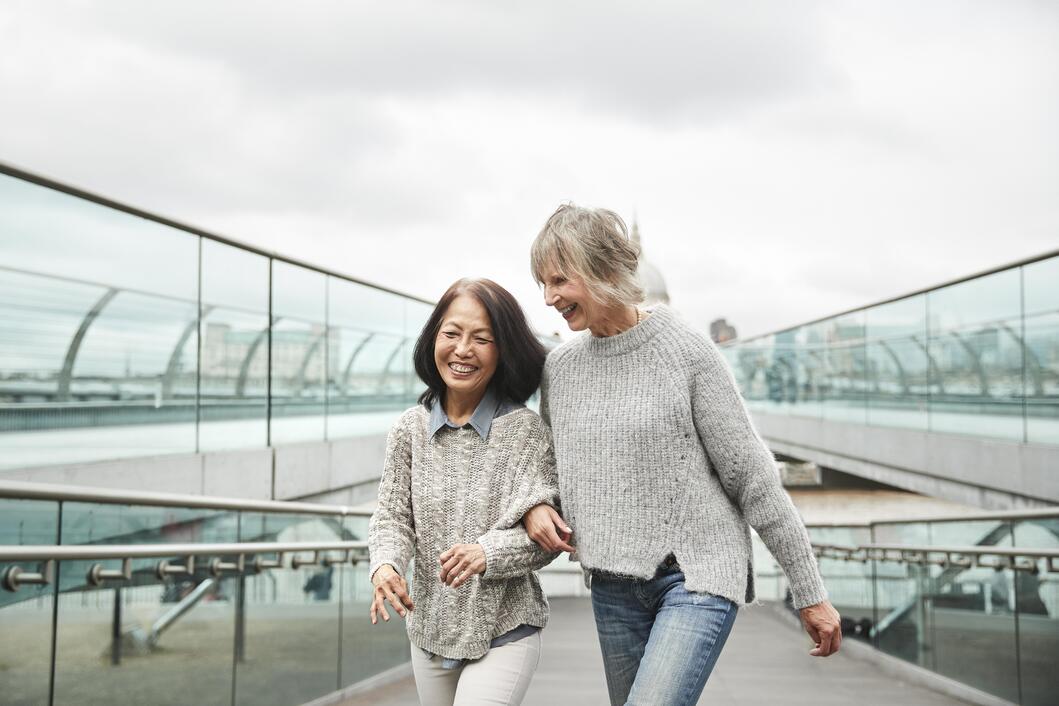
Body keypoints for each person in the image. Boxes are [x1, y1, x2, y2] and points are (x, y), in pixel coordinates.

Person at [522, 204, 842, 706]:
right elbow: (544, 467)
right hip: (611, 586)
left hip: (695, 574)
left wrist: (809, 591)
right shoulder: (559, 370)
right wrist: (537, 503)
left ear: (601, 269)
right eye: (542, 283)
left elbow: (752, 476)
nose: (548, 297)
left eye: (559, 280)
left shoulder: (684, 349)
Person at [368, 278, 561, 706]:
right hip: (428, 630)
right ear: (433, 339)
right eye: (451, 333)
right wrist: (385, 566)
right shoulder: (409, 429)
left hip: (504, 630)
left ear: (503, 349)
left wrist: (486, 553)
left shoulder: (526, 432)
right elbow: (392, 518)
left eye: (482, 339)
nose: (462, 350)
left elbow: (546, 540)